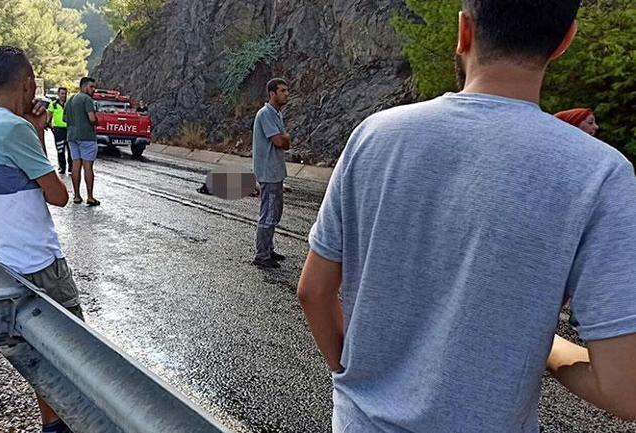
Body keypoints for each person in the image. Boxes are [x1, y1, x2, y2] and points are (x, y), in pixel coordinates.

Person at [298, 1, 636, 432]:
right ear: (564, 41)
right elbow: (624, 387)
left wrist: (356, 380)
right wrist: (546, 347)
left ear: (464, 32)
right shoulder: (600, 175)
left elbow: (313, 292)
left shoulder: (374, 136)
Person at [0, 46, 83, 433]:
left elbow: (17, 175)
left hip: (2, 261)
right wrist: (38, 133)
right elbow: (59, 195)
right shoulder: (14, 128)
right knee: (75, 358)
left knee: (38, 358)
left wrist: (34, 131)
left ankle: (52, 425)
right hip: (40, 264)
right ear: (28, 81)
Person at [251, 78, 291, 269]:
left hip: (275, 172)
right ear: (272, 93)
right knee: (268, 213)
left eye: (287, 90)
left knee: (274, 213)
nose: (286, 94)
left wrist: (285, 140)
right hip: (268, 173)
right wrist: (286, 139)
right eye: (282, 91)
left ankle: (268, 248)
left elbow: (283, 141)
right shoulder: (266, 114)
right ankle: (261, 255)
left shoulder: (276, 114)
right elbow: (279, 141)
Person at [64, 77, 100, 206]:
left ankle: (77, 196)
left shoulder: (70, 100)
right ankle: (90, 197)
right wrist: (97, 121)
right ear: (84, 86)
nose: (93, 89)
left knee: (76, 165)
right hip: (86, 137)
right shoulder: (87, 99)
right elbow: (91, 118)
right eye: (91, 87)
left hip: (72, 137)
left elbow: (64, 118)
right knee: (88, 167)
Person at [47, 87, 72, 174]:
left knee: (70, 150)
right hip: (58, 130)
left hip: (69, 129)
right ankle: (62, 168)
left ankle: (71, 168)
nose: (64, 96)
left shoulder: (69, 104)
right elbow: (49, 116)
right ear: (58, 94)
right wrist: (50, 126)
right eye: (62, 93)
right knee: (60, 149)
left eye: (65, 93)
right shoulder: (53, 104)